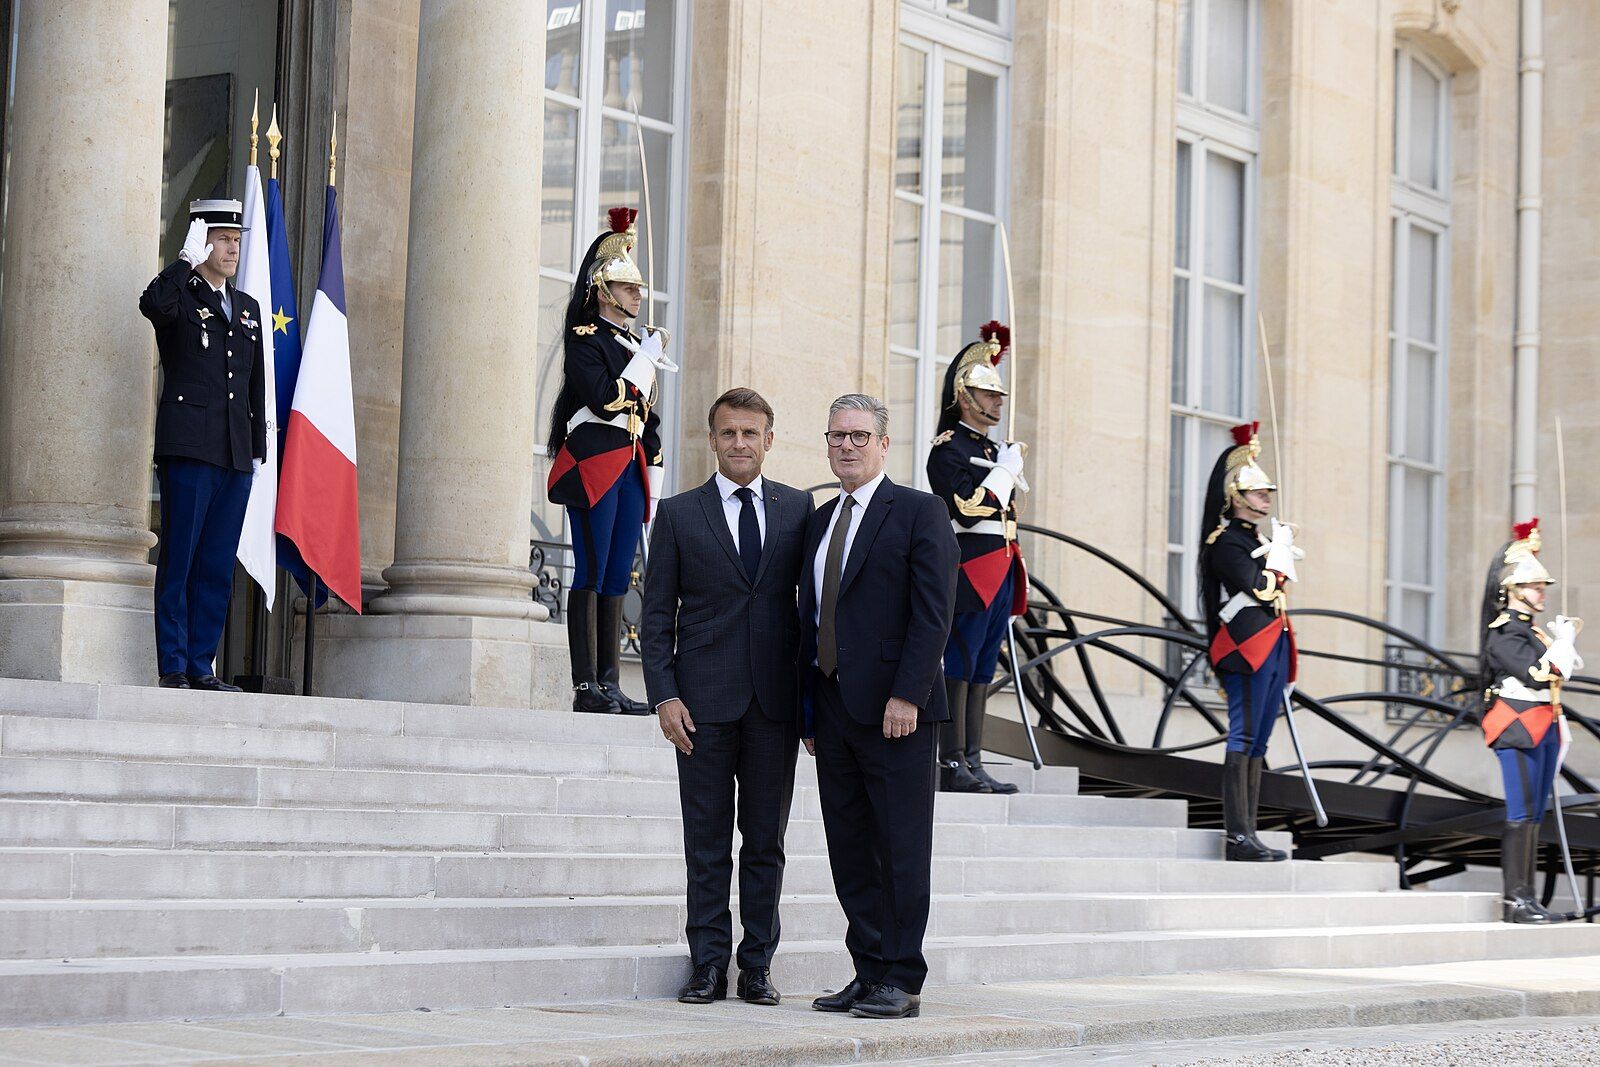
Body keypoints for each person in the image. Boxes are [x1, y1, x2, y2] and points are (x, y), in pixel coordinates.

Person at [640, 388, 812, 1005]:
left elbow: (813, 613)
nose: (739, 444)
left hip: (776, 706)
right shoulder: (681, 514)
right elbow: (657, 614)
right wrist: (664, 695)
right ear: (711, 440)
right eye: (728, 433)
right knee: (706, 842)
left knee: (765, 841)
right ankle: (707, 964)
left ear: (769, 439)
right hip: (702, 707)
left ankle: (757, 966)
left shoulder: (799, 509)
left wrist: (814, 703)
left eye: (751, 433)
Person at [800, 394, 957, 1020]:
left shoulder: (920, 511)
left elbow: (934, 613)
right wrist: (809, 713)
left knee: (899, 845)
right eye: (837, 435)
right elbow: (809, 618)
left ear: (885, 445)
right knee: (849, 846)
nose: (847, 445)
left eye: (860, 436)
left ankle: (902, 976)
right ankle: (867, 970)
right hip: (833, 708)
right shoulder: (818, 520)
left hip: (898, 712)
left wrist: (907, 694)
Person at [546, 207, 674, 715]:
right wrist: (645, 358)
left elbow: (647, 415)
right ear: (603, 289)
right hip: (596, 462)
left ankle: (610, 681)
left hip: (629, 466)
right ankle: (585, 687)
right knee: (593, 570)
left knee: (620, 572)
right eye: (629, 289)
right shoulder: (587, 341)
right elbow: (605, 399)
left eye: (638, 290)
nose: (638, 297)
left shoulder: (629, 343)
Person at [138, 200, 267, 692]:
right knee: (181, 556)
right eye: (222, 237)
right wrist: (183, 263)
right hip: (190, 448)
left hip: (234, 453)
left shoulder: (249, 308)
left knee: (215, 565)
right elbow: (153, 306)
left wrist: (255, 448)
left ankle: (201, 663)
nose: (232, 247)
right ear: (202, 239)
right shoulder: (181, 296)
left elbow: (253, 384)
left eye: (237, 239)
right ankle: (173, 664)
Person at [925, 321, 1026, 794]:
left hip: (1001, 567)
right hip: (970, 569)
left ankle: (973, 758)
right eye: (989, 394)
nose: (998, 402)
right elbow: (967, 510)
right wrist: (1003, 475)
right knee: (961, 661)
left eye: (999, 394)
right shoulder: (949, 450)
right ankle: (950, 762)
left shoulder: (992, 449)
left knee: (985, 664)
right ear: (964, 397)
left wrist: (1003, 466)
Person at [1197, 422, 1303, 862]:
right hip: (1245, 647)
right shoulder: (1225, 543)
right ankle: (1236, 836)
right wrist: (1278, 553)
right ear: (1235, 496)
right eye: (1258, 493)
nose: (1266, 500)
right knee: (1243, 736)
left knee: (1259, 739)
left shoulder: (1256, 539)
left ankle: (1250, 831)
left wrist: (1275, 549)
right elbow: (1258, 587)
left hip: (1271, 642)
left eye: (1266, 493)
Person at [1478, 518, 1583, 924]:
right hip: (1517, 725)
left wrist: (1560, 646)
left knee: (1536, 814)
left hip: (1544, 723)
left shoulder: (1535, 633)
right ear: (1514, 591)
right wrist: (1561, 646)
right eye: (1535, 586)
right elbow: (1535, 674)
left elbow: (1558, 674)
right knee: (1520, 812)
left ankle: (1529, 897)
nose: (1541, 592)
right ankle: (1515, 902)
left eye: (1541, 587)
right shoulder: (1504, 632)